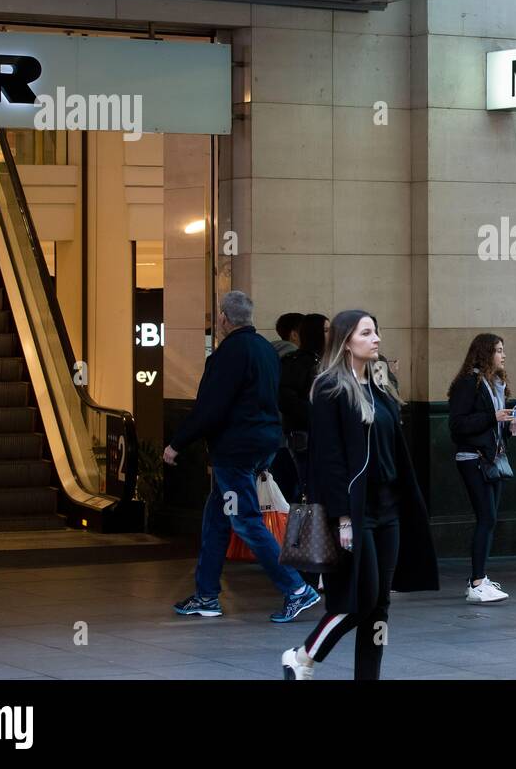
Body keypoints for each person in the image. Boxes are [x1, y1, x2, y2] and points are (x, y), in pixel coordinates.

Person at [282, 310, 438, 681]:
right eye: (366, 333)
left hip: (389, 508)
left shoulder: (379, 387)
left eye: (376, 331)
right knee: (358, 600)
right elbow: (329, 460)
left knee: (380, 605)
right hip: (355, 510)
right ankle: (303, 656)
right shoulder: (329, 388)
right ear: (345, 341)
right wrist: (343, 518)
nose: (376, 338)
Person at [165, 290, 321, 623]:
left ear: (223, 318)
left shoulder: (228, 354)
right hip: (263, 444)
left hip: (235, 450)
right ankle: (206, 594)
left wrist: (177, 443)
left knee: (245, 520)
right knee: (217, 518)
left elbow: (211, 406)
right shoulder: (266, 350)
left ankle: (296, 589)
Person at [448, 333, 516, 604]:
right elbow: (457, 425)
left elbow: (492, 426)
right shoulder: (468, 383)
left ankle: (479, 577)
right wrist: (492, 417)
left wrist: (508, 426)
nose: (503, 355)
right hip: (473, 458)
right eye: (498, 350)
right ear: (484, 353)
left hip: (493, 458)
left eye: (503, 350)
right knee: (486, 517)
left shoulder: (496, 384)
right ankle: (477, 581)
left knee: (490, 518)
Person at [275, 312, 328, 502]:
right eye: (325, 330)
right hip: (302, 439)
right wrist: (317, 414)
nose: (330, 335)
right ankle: (306, 530)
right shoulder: (299, 362)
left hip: (316, 438)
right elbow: (285, 398)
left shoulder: (321, 362)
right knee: (305, 493)